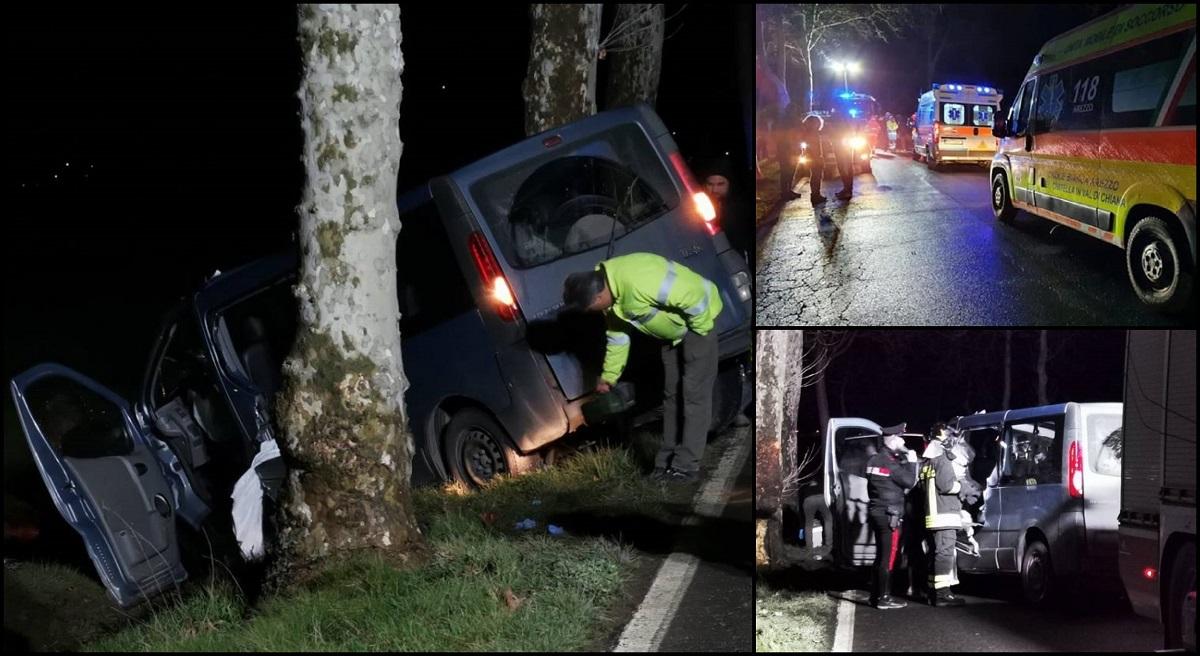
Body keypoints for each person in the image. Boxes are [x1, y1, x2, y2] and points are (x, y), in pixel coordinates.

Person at [562, 252, 722, 483]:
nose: (592, 314)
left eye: (589, 309)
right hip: (673, 336)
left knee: (694, 395)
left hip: (698, 325)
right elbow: (618, 338)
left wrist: (700, 329)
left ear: (597, 298)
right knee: (671, 397)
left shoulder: (639, 279)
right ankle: (666, 463)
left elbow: (694, 296)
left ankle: (686, 467)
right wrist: (609, 376)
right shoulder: (611, 296)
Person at [866, 423, 920, 609]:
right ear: (894, 439)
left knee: (880, 554)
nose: (904, 440)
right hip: (890, 514)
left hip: (877, 511)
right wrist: (912, 461)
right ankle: (883, 598)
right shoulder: (889, 462)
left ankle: (876, 595)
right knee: (888, 557)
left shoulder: (875, 460)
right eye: (901, 437)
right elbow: (909, 481)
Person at [919, 423, 967, 606]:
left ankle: (934, 591)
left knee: (936, 553)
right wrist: (963, 487)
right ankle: (942, 595)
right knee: (945, 553)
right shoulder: (942, 458)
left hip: (933, 514)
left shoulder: (928, 460)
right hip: (945, 513)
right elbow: (946, 485)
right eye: (950, 436)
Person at [700, 159, 751, 257]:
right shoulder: (700, 206)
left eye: (720, 184)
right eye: (710, 184)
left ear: (729, 184)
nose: (714, 190)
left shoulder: (741, 208)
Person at [824, 107, 855, 201]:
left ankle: (847, 190)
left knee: (844, 168)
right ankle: (847, 189)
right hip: (844, 147)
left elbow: (832, 133)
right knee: (846, 168)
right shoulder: (845, 119)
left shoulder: (839, 120)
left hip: (842, 147)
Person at [796, 113, 827, 205]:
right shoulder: (812, 134)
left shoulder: (810, 133)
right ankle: (815, 195)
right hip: (814, 157)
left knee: (816, 176)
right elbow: (814, 147)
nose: (817, 124)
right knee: (816, 176)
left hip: (813, 157)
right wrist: (818, 158)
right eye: (815, 123)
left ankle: (816, 194)